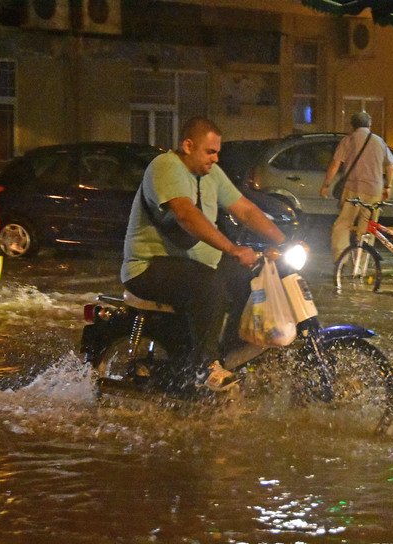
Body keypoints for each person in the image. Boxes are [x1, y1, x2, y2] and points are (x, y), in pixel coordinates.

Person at [121, 117, 286, 392]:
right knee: (209, 284)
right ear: (188, 145)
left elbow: (245, 210)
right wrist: (233, 249)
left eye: (217, 152)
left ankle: (229, 354)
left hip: (193, 264)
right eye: (210, 151)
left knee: (249, 278)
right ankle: (206, 367)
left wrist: (285, 240)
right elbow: (186, 215)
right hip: (148, 267)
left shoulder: (211, 174)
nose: (216, 158)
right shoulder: (165, 167)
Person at [320, 111, 393, 263]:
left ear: (353, 125)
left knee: (342, 226)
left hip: (353, 190)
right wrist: (388, 186)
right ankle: (361, 267)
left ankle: (341, 261)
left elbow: (335, 164)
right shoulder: (380, 141)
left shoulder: (348, 140)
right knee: (367, 229)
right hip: (375, 191)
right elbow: (391, 168)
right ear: (369, 124)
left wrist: (326, 184)